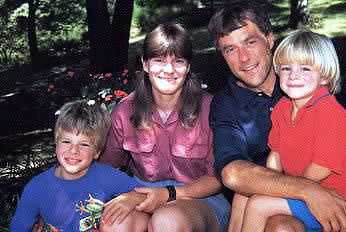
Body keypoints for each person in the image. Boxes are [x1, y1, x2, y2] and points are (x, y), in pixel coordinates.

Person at [207, 1, 346, 232]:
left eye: (250, 42)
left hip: (328, 190)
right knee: (247, 199)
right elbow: (231, 171)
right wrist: (308, 191)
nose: (244, 58)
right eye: (230, 49)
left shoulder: (306, 80)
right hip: (284, 187)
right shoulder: (226, 103)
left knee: (279, 224)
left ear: (269, 39)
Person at [99, 22, 231, 232]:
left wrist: (168, 195)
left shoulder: (210, 108)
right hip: (143, 194)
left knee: (166, 221)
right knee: (113, 223)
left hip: (200, 199)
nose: (168, 70)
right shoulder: (125, 112)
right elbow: (105, 169)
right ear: (145, 64)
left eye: (178, 61)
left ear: (188, 67)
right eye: (159, 60)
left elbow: (218, 178)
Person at [235, 29, 346, 232]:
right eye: (286, 68)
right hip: (303, 191)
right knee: (246, 191)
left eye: (305, 69)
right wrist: (269, 182)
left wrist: (284, 190)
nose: (293, 76)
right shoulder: (282, 107)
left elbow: (321, 168)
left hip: (337, 203)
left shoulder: (332, 114)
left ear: (324, 75)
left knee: (259, 204)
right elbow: (275, 156)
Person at [10, 100, 146, 232]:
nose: (74, 150)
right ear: (56, 145)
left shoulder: (106, 177)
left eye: (84, 144)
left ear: (97, 152)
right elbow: (19, 227)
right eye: (67, 141)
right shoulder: (37, 187)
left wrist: (132, 198)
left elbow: (147, 195)